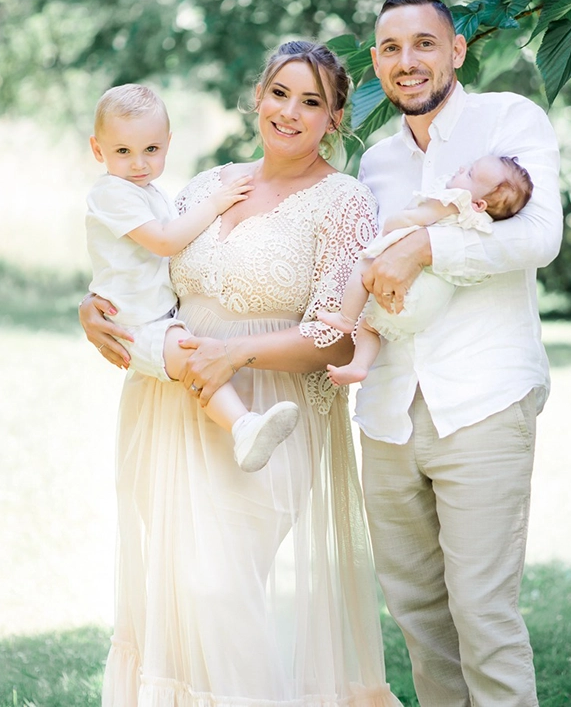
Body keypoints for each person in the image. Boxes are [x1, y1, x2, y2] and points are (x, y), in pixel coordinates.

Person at [79, 42, 401, 707]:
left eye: (311, 101)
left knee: (216, 586)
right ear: (258, 97)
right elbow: (143, 271)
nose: (289, 111)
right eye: (280, 92)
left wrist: (236, 354)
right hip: (168, 406)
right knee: (173, 597)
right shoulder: (207, 185)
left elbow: (332, 336)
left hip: (274, 416)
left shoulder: (343, 202)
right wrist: (91, 306)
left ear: (334, 119)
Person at [355, 0, 563, 707]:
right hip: (385, 410)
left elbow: (539, 238)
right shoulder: (374, 163)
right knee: (417, 616)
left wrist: (425, 245)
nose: (406, 61)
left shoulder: (509, 120)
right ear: (376, 61)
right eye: (389, 48)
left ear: (455, 51)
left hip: (482, 400)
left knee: (482, 613)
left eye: (422, 44)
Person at [87, 83, 300, 472]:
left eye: (151, 150)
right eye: (123, 151)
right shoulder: (111, 193)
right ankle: (243, 426)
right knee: (193, 359)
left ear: (167, 143)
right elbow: (166, 242)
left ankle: (243, 427)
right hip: (135, 323)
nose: (139, 163)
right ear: (98, 149)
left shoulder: (149, 191)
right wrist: (216, 203)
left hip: (155, 316)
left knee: (193, 359)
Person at [318, 154, 533, 385]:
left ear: (478, 204)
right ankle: (358, 367)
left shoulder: (453, 203)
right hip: (427, 308)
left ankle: (345, 317)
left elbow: (415, 218)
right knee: (371, 326)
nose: (461, 167)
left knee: (365, 267)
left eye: (469, 173)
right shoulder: (482, 223)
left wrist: (392, 223)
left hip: (409, 294)